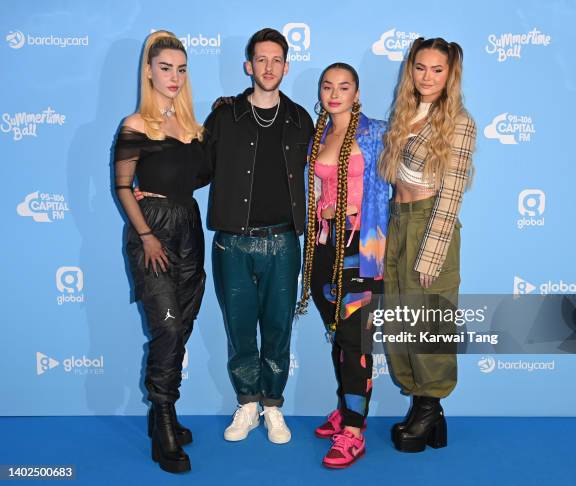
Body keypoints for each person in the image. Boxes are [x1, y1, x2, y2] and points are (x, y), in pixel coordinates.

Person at [202, 28, 314, 444]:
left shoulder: (301, 119)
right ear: (249, 65)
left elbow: (326, 171)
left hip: (283, 242)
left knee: (279, 327)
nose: (269, 67)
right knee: (239, 327)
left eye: (276, 60)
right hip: (232, 242)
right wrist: (157, 188)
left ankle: (273, 406)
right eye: (261, 60)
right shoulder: (224, 116)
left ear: (286, 66)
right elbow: (198, 168)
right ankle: (247, 402)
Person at [113, 30, 210, 473]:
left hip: (189, 227)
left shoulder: (191, 127)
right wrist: (147, 235)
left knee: (184, 322)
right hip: (153, 231)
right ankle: (165, 419)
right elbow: (122, 187)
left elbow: (201, 176)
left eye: (181, 69)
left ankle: (160, 411)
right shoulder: (136, 125)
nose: (174, 76)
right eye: (166, 68)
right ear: (149, 71)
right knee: (167, 328)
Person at [378, 37, 476, 453]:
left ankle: (428, 407)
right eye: (421, 67)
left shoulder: (459, 121)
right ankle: (426, 412)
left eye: (437, 69)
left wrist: (432, 252)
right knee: (400, 319)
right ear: (410, 69)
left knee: (429, 323)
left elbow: (451, 193)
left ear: (450, 73)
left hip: (430, 223)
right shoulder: (404, 113)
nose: (428, 77)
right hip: (397, 222)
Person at [297, 63, 389, 468]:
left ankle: (353, 429)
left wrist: (362, 206)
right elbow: (315, 192)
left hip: (362, 249)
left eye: (344, 87)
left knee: (356, 340)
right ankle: (345, 405)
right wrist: (326, 206)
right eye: (327, 86)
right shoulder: (319, 135)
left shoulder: (376, 133)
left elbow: (394, 184)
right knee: (339, 333)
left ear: (357, 92)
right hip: (324, 247)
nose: (334, 93)